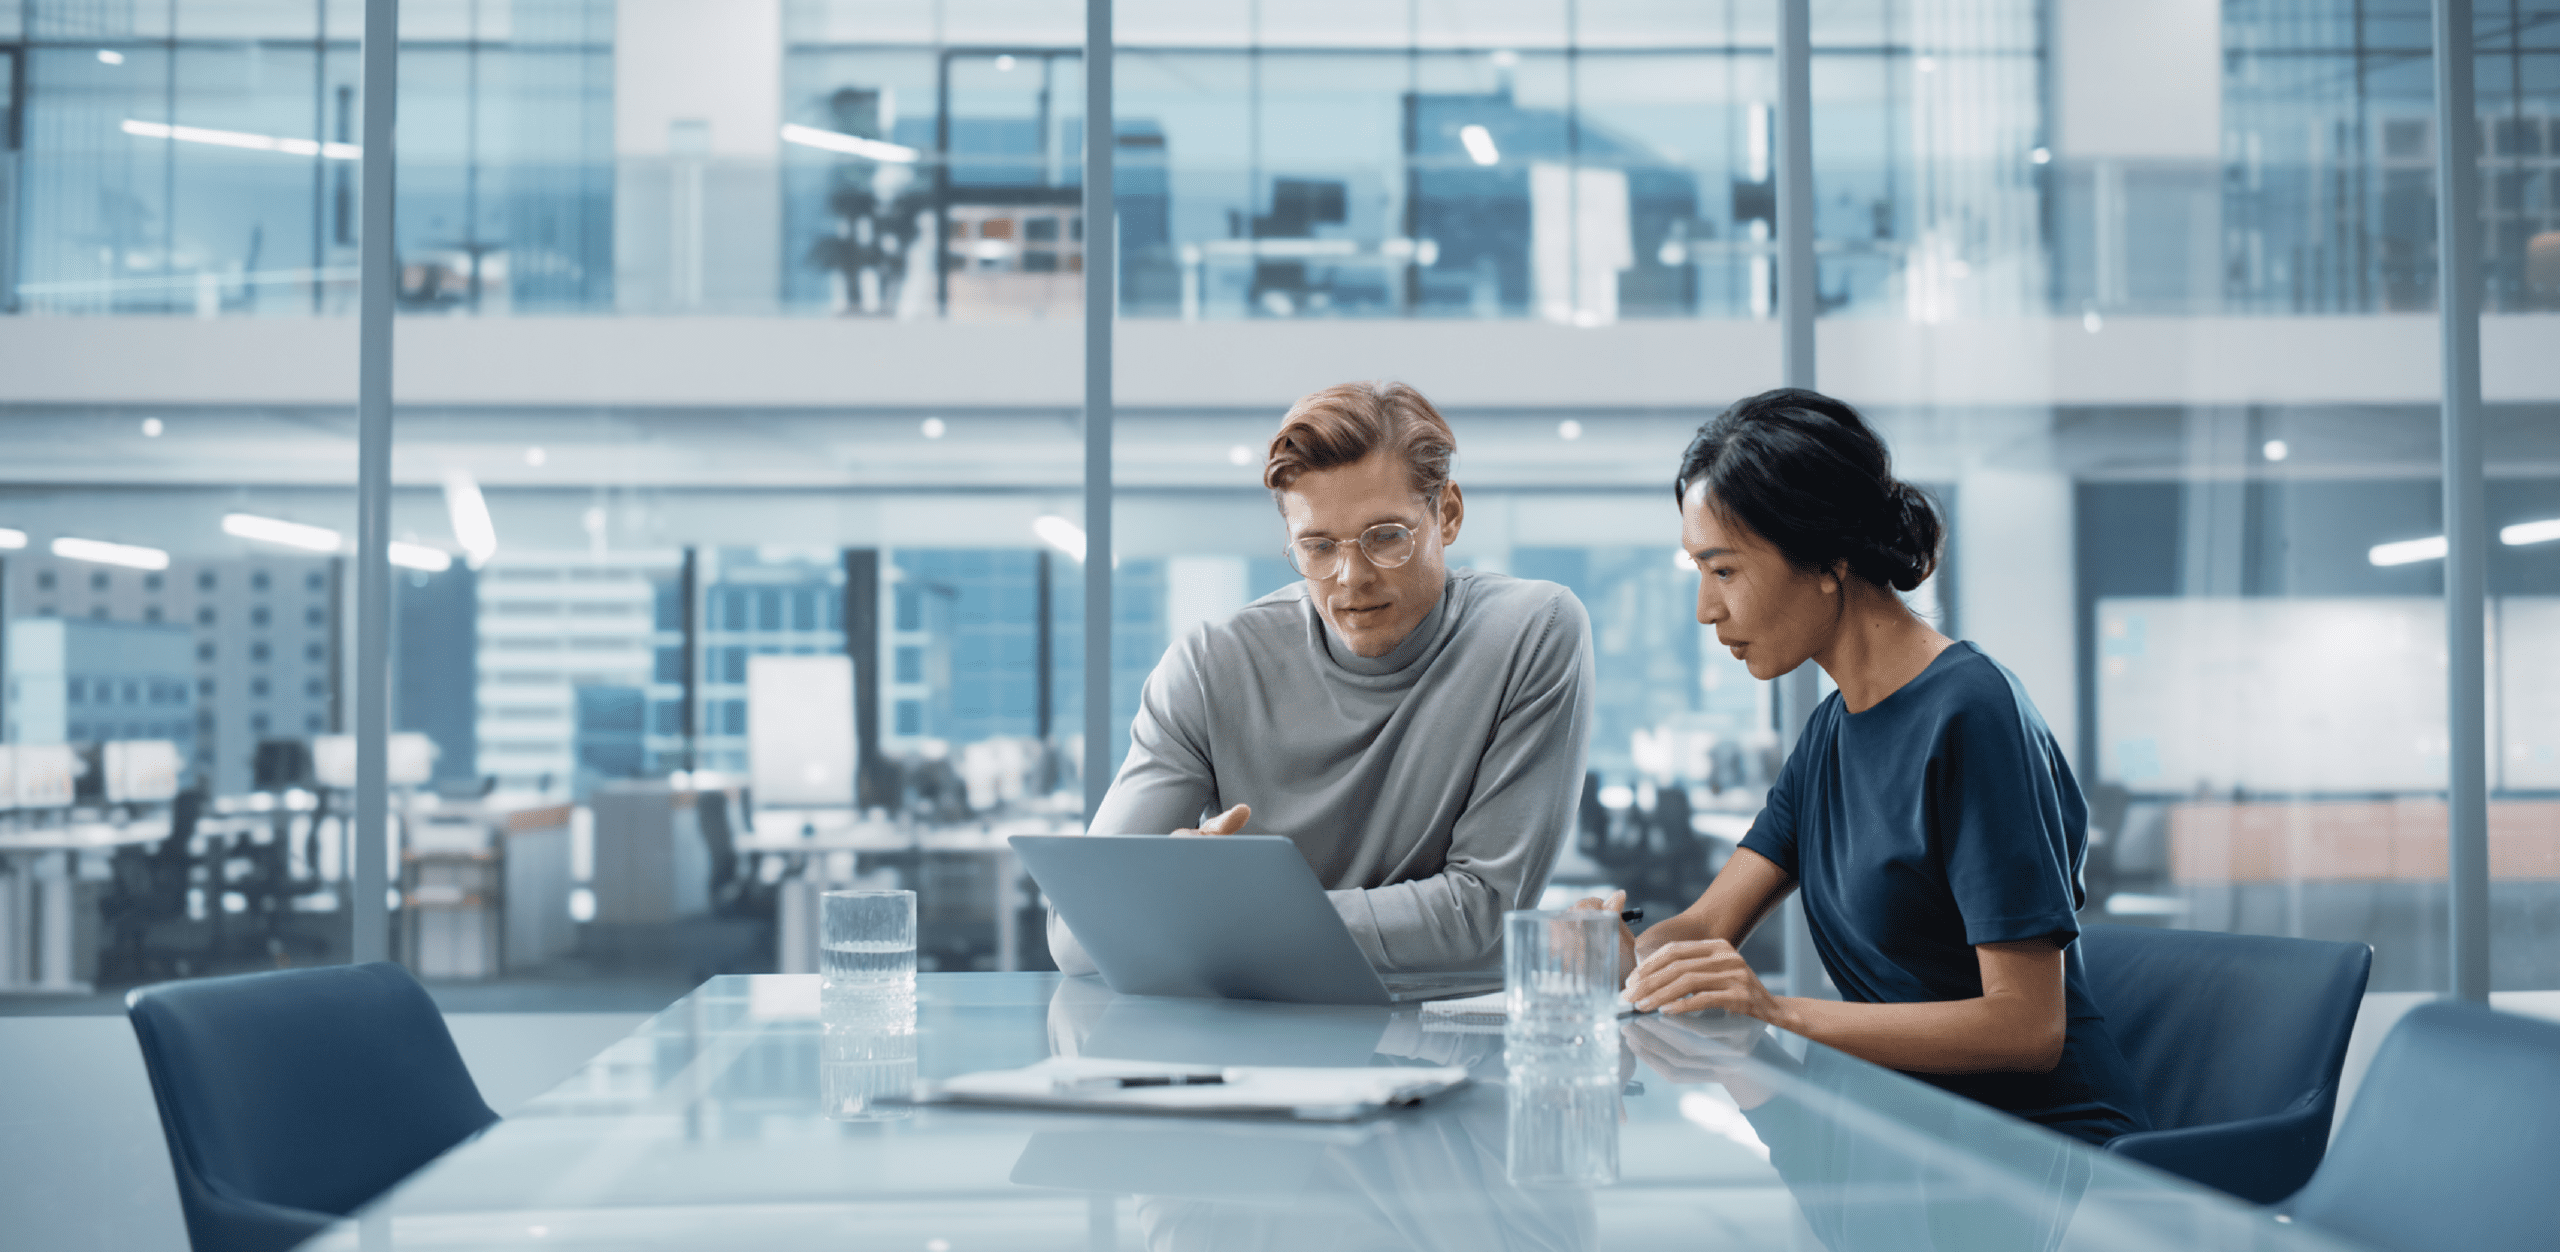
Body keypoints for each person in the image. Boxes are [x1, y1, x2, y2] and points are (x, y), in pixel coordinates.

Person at [1584, 387, 2147, 1146]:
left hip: (2041, 1151)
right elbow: (1707, 927)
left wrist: (1774, 1011)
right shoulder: (1831, 733)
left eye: (1724, 572)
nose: (1705, 610)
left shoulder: (1972, 714)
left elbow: (2027, 1026)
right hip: (1905, 1133)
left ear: (1826, 559)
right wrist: (1630, 956)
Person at [1047, 381, 1595, 975]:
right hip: (1252, 1025)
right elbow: (1077, 934)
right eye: (1318, 547)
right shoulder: (1210, 666)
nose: (1351, 576)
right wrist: (1178, 893)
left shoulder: (1533, 631)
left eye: (1387, 537)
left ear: (1449, 514)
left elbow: (1482, 917)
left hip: (1438, 1024)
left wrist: (1217, 917)